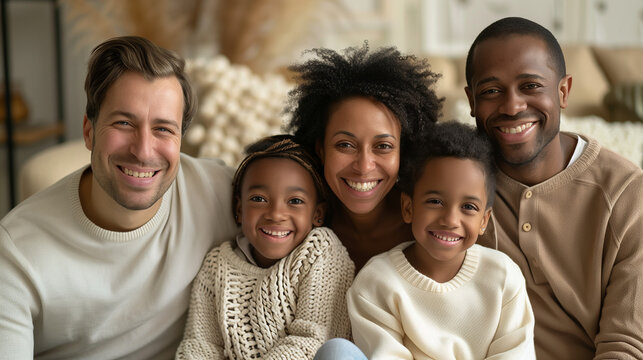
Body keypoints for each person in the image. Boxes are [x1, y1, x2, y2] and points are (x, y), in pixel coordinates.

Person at [0, 36, 239, 359]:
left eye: (163, 129)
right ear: (88, 130)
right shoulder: (15, 252)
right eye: (124, 123)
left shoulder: (222, 195)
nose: (143, 151)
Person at [464, 17, 643, 359]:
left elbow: (626, 346)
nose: (512, 106)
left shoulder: (627, 193)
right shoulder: (454, 178)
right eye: (491, 91)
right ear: (471, 101)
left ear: (563, 92)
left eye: (530, 86)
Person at [345, 121, 535, 359]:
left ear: (484, 220)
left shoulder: (503, 276)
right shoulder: (377, 282)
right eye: (435, 202)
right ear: (408, 207)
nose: (450, 220)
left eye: (468, 207)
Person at [176, 134, 354, 359]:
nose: (276, 214)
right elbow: (200, 344)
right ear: (239, 209)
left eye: (295, 201)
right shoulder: (217, 265)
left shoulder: (320, 253)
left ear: (317, 214)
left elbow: (313, 340)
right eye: (259, 199)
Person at [286, 42, 442, 270]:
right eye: (346, 145)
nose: (364, 166)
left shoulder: (432, 225)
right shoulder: (299, 223)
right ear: (320, 149)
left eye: (383, 146)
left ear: (404, 151)